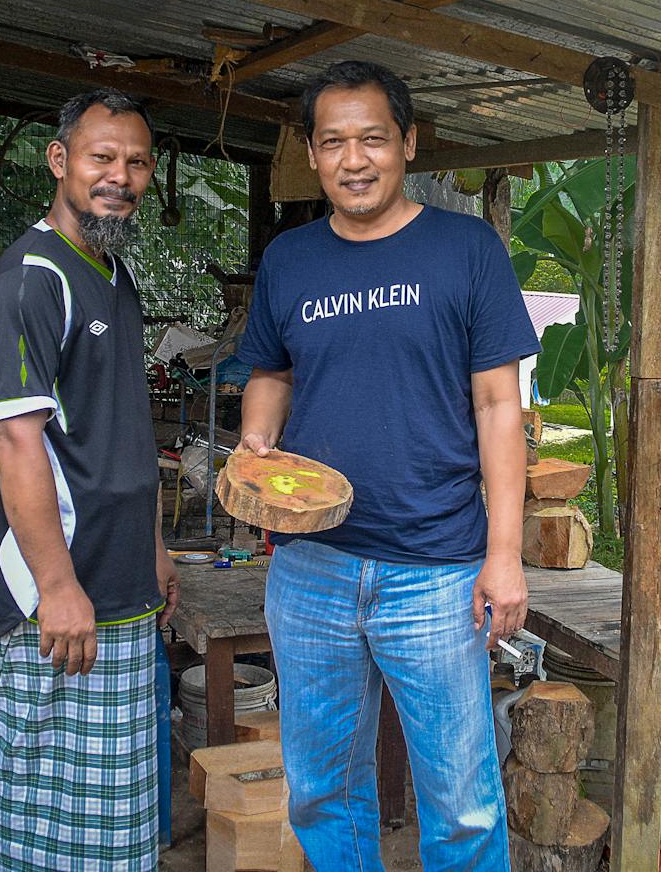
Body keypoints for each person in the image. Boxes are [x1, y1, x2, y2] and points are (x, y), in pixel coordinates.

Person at [236, 60, 540, 871]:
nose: (354, 159)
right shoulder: (290, 261)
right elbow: (270, 371)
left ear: (408, 143)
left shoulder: (466, 249)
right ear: (311, 152)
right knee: (322, 791)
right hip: (312, 569)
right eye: (333, 142)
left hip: (437, 570)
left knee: (463, 805)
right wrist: (256, 441)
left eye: (373, 138)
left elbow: (498, 407)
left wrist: (504, 556)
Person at [0, 88, 178, 871]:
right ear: (60, 161)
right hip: (58, 600)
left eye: (135, 162)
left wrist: (154, 546)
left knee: (116, 824)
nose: (118, 175)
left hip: (119, 587)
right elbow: (15, 440)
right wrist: (57, 586)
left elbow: (123, 433)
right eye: (101, 157)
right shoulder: (32, 280)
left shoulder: (112, 277)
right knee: (47, 815)